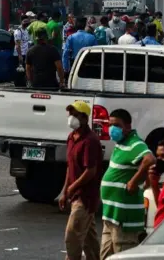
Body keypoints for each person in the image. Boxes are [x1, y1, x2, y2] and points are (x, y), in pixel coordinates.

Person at [100, 109, 155, 259]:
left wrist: (133, 181)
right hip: (111, 215)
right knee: (105, 255)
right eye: (110, 125)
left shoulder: (134, 143)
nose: (113, 129)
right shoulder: (120, 144)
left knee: (122, 255)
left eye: (117, 125)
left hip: (124, 218)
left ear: (128, 127)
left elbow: (149, 159)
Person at [60, 101, 103, 260]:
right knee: (88, 239)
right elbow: (69, 167)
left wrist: (73, 187)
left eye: (76, 115)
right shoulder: (72, 137)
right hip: (74, 194)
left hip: (85, 197)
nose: (72, 118)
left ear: (85, 118)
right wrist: (65, 191)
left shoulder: (90, 141)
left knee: (72, 236)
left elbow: (90, 171)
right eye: (71, 115)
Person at [13, 18, 31, 87]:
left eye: (27, 21)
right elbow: (17, 45)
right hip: (19, 54)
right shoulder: (18, 31)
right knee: (19, 71)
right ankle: (18, 84)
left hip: (25, 53)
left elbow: (27, 42)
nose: (26, 22)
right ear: (21, 22)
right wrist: (20, 55)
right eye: (25, 21)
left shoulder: (26, 30)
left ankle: (23, 84)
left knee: (23, 70)